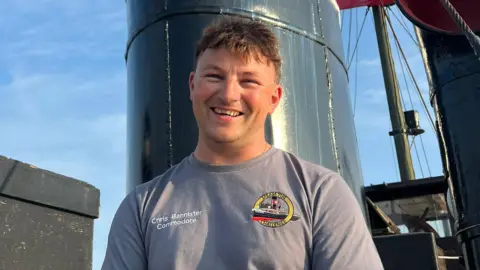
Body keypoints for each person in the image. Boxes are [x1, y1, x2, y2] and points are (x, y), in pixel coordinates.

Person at [102, 16, 384, 270]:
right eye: (214, 76)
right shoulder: (140, 208)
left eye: (249, 81)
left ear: (274, 98)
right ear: (192, 86)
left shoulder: (321, 194)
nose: (228, 95)